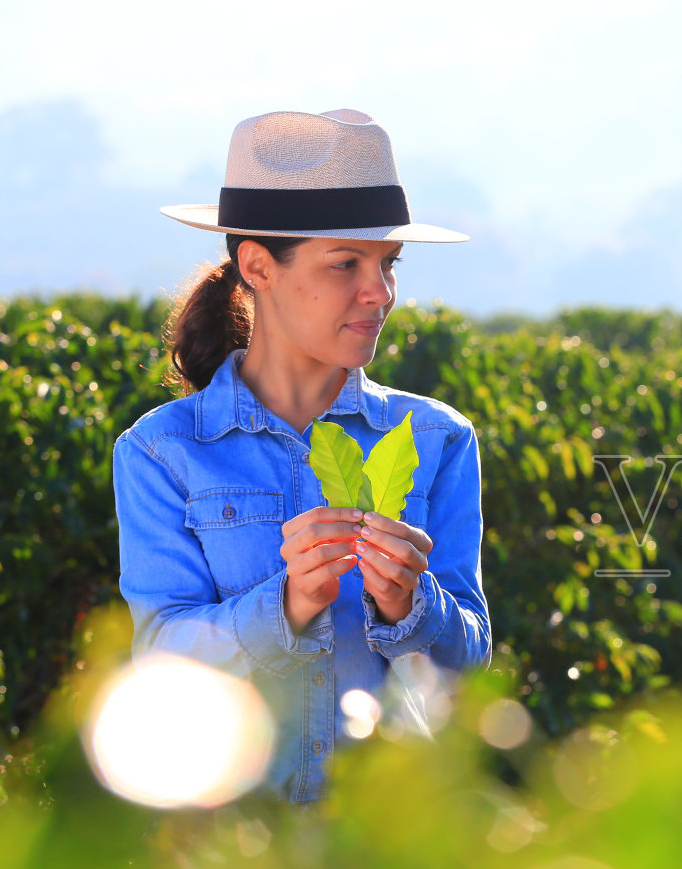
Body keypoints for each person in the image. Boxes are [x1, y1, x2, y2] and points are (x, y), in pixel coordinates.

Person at [112, 109, 492, 805]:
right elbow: (160, 657)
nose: (380, 292)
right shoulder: (162, 452)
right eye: (346, 264)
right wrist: (285, 604)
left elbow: (469, 660)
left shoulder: (437, 438)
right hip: (235, 847)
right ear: (258, 265)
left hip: (386, 839)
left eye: (388, 265)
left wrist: (414, 604)